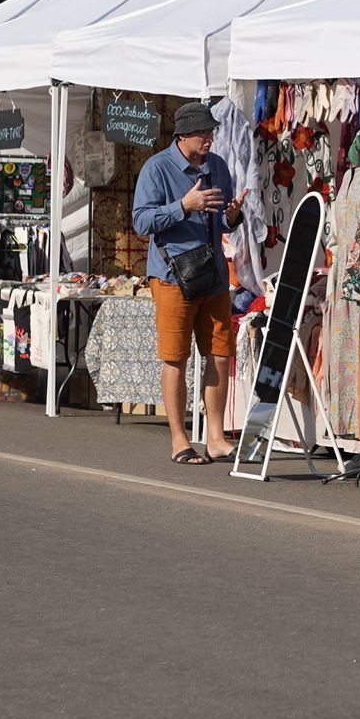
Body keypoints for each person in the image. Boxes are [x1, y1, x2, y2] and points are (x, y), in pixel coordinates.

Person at [131, 102, 246, 465]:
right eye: (203, 133)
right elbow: (141, 222)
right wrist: (184, 204)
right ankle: (180, 439)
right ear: (182, 136)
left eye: (211, 132)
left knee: (220, 354)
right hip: (172, 277)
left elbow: (222, 223)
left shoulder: (219, 168)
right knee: (175, 358)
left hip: (212, 274)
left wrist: (232, 216)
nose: (210, 138)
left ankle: (215, 437)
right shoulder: (157, 168)